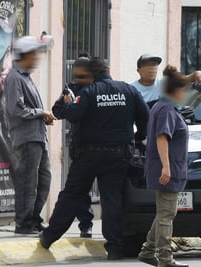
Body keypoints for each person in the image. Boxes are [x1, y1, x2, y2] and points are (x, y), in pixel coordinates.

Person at [40, 57, 149, 260]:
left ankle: (48, 237)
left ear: (92, 74)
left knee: (72, 195)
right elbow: (146, 117)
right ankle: (115, 248)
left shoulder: (89, 92)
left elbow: (72, 115)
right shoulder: (128, 90)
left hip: (89, 155)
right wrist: (138, 137)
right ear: (107, 70)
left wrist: (67, 102)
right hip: (119, 155)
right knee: (112, 200)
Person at [138, 65, 190, 267]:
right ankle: (165, 258)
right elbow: (162, 138)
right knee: (167, 215)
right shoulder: (167, 110)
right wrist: (166, 168)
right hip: (167, 169)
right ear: (175, 91)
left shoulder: (162, 106)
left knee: (163, 213)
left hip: (168, 167)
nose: (185, 94)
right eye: (184, 90)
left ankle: (148, 251)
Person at [4, 36, 54, 235]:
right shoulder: (14, 77)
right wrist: (41, 113)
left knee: (43, 181)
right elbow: (15, 108)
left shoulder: (25, 76)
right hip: (26, 139)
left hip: (37, 137)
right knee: (27, 183)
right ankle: (23, 224)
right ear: (23, 55)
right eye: (33, 54)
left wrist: (42, 115)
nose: (36, 59)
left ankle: (33, 220)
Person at [64, 53, 96, 238]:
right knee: (80, 189)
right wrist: (69, 104)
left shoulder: (98, 89)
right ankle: (86, 224)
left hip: (100, 145)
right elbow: (59, 110)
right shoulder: (72, 89)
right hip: (81, 145)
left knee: (109, 190)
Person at [130, 54, 201, 107]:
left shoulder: (164, 83)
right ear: (138, 70)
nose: (152, 69)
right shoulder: (131, 89)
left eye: (154, 65)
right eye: (147, 66)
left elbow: (186, 79)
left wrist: (195, 74)